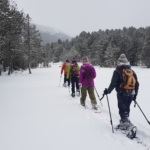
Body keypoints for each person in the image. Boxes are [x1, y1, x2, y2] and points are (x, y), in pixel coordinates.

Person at [103, 54, 139, 129]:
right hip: (131, 93)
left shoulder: (117, 71)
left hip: (122, 93)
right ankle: (125, 120)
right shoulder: (132, 71)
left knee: (122, 109)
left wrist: (108, 91)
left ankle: (125, 124)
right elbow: (137, 84)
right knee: (127, 108)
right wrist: (135, 95)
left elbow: (113, 83)